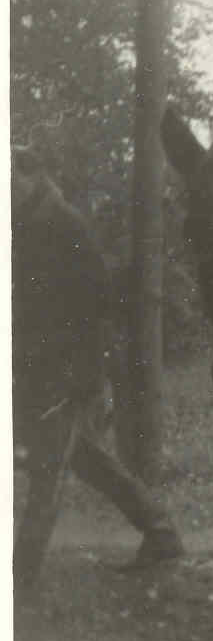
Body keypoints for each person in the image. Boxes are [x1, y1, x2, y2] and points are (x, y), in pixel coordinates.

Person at [12, 157, 183, 589]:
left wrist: (83, 376)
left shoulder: (65, 226)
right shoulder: (22, 225)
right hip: (34, 373)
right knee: (84, 458)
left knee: (48, 470)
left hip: (66, 373)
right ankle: (160, 531)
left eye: (9, 179)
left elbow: (98, 305)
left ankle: (20, 582)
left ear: (31, 174)